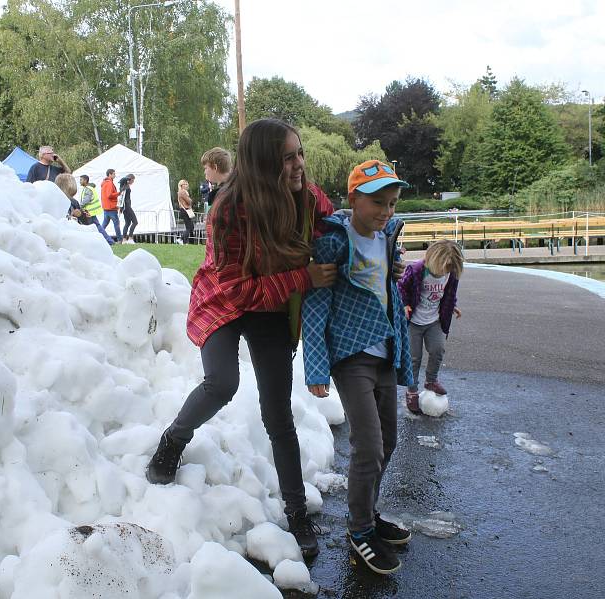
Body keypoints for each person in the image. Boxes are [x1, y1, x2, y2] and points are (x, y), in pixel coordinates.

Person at [145, 119, 338, 559]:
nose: (298, 164)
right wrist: (301, 277)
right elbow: (236, 289)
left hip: (272, 307)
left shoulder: (305, 196)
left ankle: (295, 510)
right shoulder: (228, 209)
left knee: (277, 411)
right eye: (287, 157)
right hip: (225, 300)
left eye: (299, 153)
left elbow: (336, 228)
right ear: (263, 162)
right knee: (223, 382)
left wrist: (376, 249)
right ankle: (173, 440)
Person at [302, 159, 413, 575]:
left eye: (392, 202)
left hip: (385, 351)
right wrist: (316, 366)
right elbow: (316, 306)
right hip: (352, 356)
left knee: (389, 440)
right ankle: (359, 529)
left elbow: (382, 284)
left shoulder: (386, 237)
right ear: (353, 199)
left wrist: (395, 273)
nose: (386, 211)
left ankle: (369, 510)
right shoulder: (335, 241)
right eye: (377, 202)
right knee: (368, 444)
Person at [397, 239, 463, 413]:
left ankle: (431, 380)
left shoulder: (452, 273)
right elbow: (401, 287)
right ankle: (412, 391)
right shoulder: (417, 269)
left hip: (435, 320)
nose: (445, 271)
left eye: (449, 268)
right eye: (443, 267)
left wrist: (452, 305)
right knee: (413, 358)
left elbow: (450, 293)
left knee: (438, 349)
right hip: (414, 322)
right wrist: (404, 304)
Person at [55, 174, 113, 245]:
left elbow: (84, 221)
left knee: (96, 226)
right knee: (97, 226)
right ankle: (108, 240)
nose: (80, 182)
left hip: (89, 214)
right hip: (62, 236)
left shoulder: (75, 201)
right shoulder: (56, 202)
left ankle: (108, 241)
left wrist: (80, 214)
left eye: (81, 180)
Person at [100, 168, 122, 243]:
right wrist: (118, 193)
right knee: (117, 224)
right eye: (114, 174)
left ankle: (98, 236)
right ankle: (119, 240)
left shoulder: (104, 182)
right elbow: (109, 195)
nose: (115, 175)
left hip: (106, 207)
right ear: (110, 174)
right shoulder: (109, 183)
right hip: (111, 208)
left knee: (103, 226)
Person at [119, 174, 138, 244]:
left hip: (124, 207)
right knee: (135, 222)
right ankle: (130, 238)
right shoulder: (126, 187)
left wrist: (121, 208)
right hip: (127, 207)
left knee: (127, 223)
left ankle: (124, 240)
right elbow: (124, 198)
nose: (133, 182)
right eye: (133, 180)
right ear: (130, 179)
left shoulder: (123, 186)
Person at [177, 179, 195, 244]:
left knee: (191, 227)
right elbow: (189, 201)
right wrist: (190, 199)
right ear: (182, 185)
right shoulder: (182, 192)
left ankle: (182, 240)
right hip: (185, 210)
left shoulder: (182, 192)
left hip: (186, 210)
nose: (187, 185)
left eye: (187, 184)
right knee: (189, 227)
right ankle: (181, 240)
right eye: (185, 184)